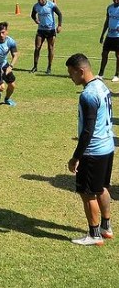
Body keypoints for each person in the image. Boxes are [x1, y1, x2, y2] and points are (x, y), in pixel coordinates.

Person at [66, 53, 114, 246]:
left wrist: (76, 157)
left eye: (71, 73)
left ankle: (94, 235)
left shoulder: (88, 95)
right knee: (101, 187)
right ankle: (106, 227)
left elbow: (88, 130)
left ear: (81, 71)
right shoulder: (102, 86)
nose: (70, 77)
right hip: (107, 147)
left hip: (93, 151)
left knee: (88, 194)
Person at [30, 0, 63, 74]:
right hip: (41, 30)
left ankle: (49, 67)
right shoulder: (36, 6)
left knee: (50, 48)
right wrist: (35, 19)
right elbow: (33, 15)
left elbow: (59, 14)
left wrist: (59, 25)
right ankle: (35, 66)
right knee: (37, 47)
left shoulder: (51, 5)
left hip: (51, 30)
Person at [97, 0, 119, 81]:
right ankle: (100, 74)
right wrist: (102, 34)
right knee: (104, 53)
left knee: (118, 56)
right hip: (109, 35)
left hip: (118, 36)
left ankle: (117, 75)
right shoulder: (109, 7)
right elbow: (107, 21)